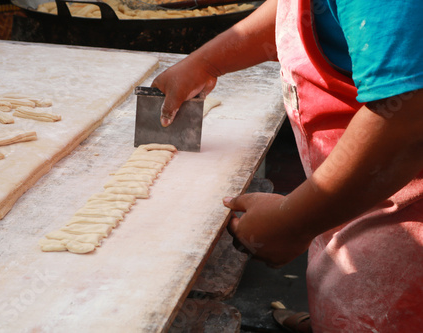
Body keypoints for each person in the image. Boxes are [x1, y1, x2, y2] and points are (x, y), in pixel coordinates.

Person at [151, 0, 423, 332]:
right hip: (348, 207)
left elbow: (407, 118)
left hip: (407, 242)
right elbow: (299, 12)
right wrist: (207, 62)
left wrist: (292, 222)